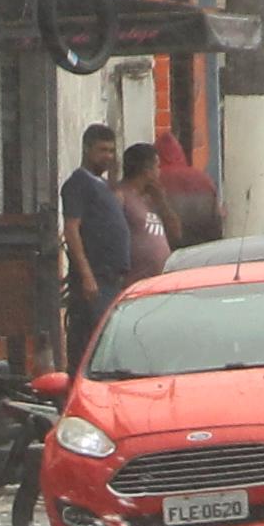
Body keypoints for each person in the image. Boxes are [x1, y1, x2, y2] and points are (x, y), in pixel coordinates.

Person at [61, 121, 130, 370]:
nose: (108, 157)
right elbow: (71, 229)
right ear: (87, 149)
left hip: (111, 280)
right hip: (94, 282)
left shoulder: (104, 186)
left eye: (112, 151)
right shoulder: (78, 184)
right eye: (102, 150)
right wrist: (87, 275)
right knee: (90, 347)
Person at [118, 140, 173, 282]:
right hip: (136, 279)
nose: (159, 172)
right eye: (157, 166)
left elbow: (176, 232)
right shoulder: (121, 195)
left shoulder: (152, 197)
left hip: (159, 278)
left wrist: (162, 203)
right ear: (147, 171)